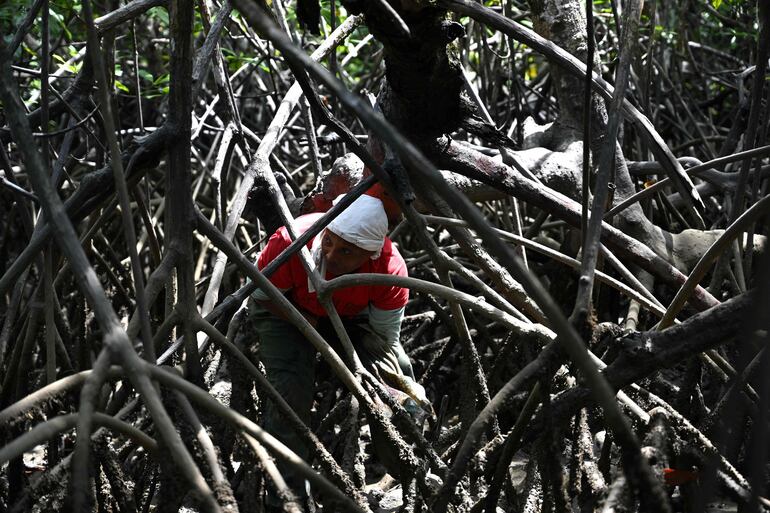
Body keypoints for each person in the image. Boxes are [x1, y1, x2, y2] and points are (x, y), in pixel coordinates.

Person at [248, 193, 425, 506]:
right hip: (284, 310)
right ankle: (287, 498)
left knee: (396, 382)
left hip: (352, 320)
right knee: (290, 391)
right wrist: (307, 320)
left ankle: (408, 472)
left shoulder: (389, 273)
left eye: (346, 251)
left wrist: (380, 377)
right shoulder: (289, 241)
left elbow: (383, 337)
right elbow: (263, 298)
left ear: (369, 256)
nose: (330, 255)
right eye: (328, 242)